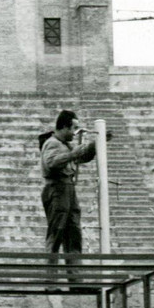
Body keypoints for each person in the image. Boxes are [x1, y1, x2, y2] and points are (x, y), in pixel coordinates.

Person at [39, 108, 100, 282]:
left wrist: (95, 145)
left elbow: (80, 157)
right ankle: (50, 281)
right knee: (56, 233)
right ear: (64, 127)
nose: (75, 133)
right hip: (57, 189)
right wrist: (73, 153)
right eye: (73, 129)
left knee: (74, 234)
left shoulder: (65, 145)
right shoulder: (52, 143)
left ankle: (76, 279)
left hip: (68, 189)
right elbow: (51, 163)